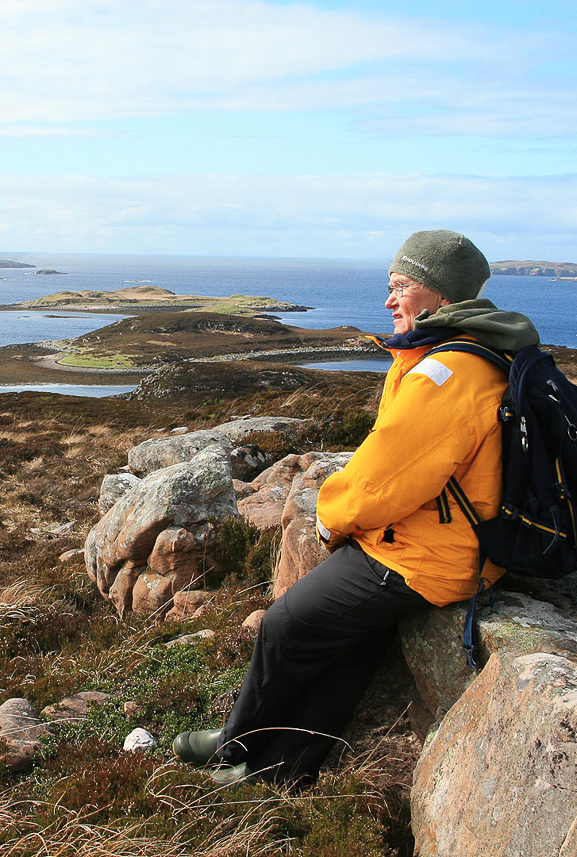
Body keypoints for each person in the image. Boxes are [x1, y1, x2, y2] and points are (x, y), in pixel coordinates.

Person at [173, 229, 541, 786]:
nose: (388, 301)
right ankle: (281, 773)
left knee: (283, 625)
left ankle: (232, 746)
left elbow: (385, 480)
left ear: (441, 296)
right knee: (349, 644)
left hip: (427, 557)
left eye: (401, 287)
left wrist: (329, 518)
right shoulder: (472, 350)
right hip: (451, 544)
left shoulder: (448, 373)